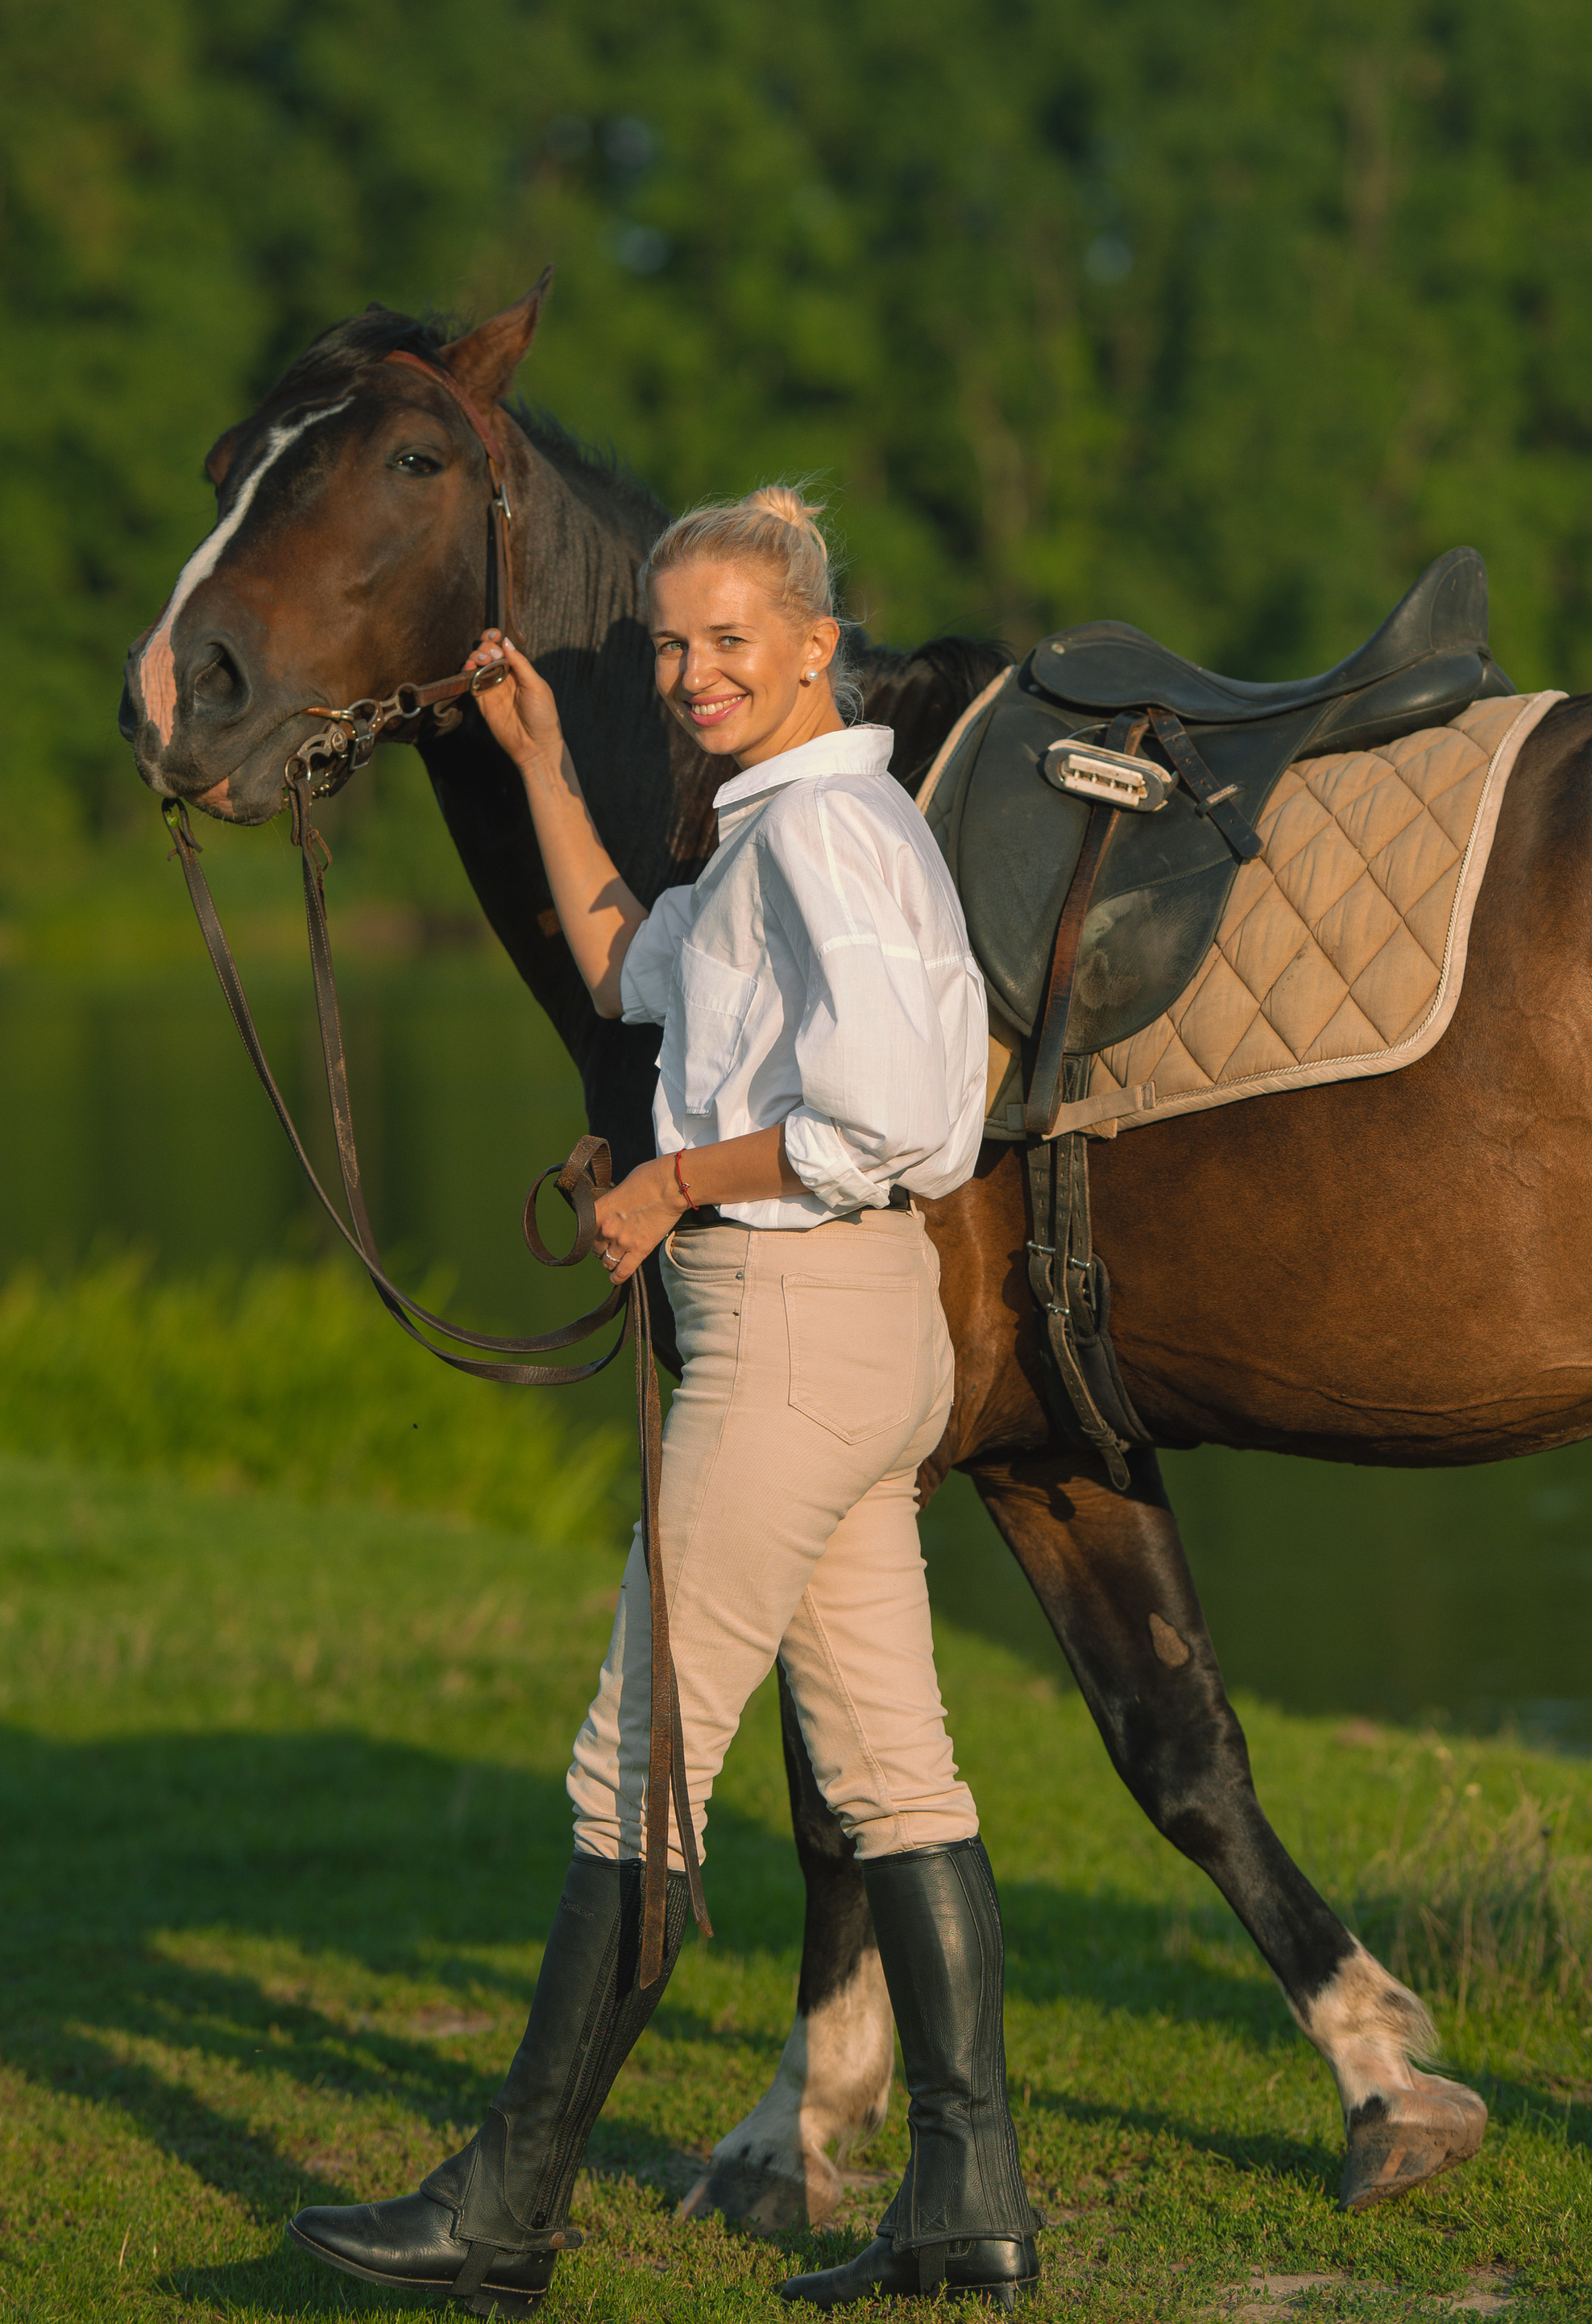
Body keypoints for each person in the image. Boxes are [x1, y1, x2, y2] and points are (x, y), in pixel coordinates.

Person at [287, 486, 1038, 2313]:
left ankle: (504, 2213)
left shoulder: (820, 844)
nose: (691, 676)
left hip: (790, 1331)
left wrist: (671, 1184)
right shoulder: (787, 827)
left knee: (638, 1775)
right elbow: (630, 969)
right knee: (890, 1769)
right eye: (671, 648)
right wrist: (544, 761)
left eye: (726, 643)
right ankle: (965, 2210)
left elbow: (898, 1118)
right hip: (846, 1341)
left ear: (812, 650)